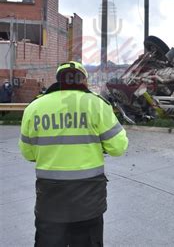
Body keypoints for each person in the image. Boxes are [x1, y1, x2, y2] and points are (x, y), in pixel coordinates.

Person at [18, 61, 128, 246]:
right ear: (83, 80)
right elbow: (118, 148)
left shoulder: (34, 107)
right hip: (88, 201)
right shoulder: (98, 105)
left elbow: (28, 153)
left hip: (50, 200)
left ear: (59, 79)